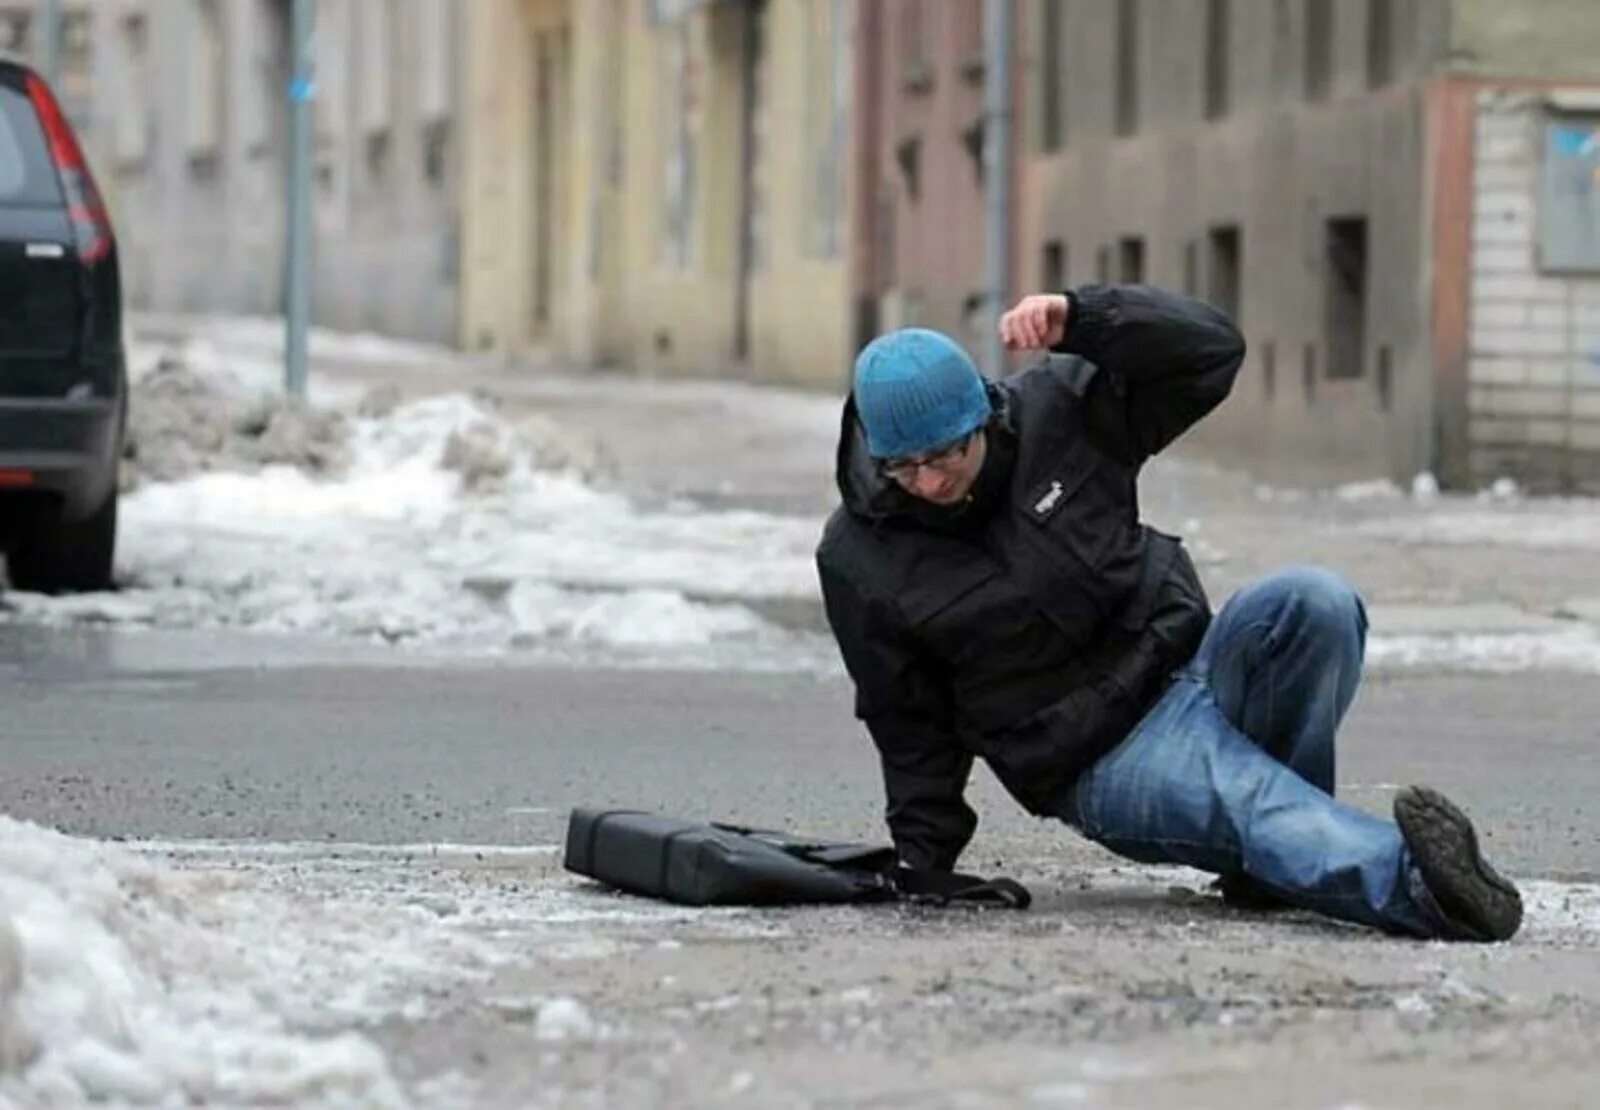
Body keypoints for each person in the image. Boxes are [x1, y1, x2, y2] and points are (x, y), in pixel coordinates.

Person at [815, 284, 1523, 942]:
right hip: (1099, 758)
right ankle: (1424, 890)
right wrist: (925, 861)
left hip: (1193, 662)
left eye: (946, 453)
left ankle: (1278, 868)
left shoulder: (1057, 413)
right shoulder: (859, 559)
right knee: (1250, 799)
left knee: (1316, 602)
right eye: (904, 466)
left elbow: (1211, 355)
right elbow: (905, 717)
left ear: (981, 415)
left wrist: (1087, 320)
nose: (929, 480)